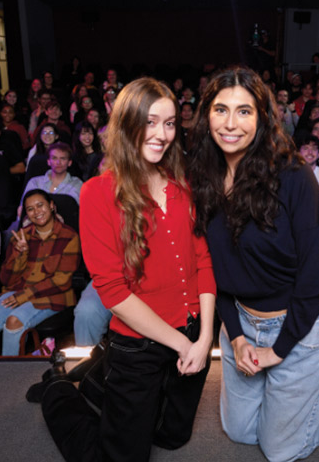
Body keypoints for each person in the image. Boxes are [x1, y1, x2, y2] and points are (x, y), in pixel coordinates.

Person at [188, 67, 319, 462]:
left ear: (262, 117)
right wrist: (237, 336)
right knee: (241, 433)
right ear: (206, 115)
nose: (230, 123)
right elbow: (210, 269)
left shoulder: (294, 177)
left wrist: (278, 351)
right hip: (241, 320)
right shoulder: (202, 177)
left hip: (299, 323)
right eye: (220, 110)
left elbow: (317, 279)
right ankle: (303, 392)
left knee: (280, 449)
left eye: (244, 111)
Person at [40, 77, 215, 462]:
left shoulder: (182, 184)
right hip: (139, 344)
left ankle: (99, 380)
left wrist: (204, 339)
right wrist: (183, 344)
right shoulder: (98, 192)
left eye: (169, 123)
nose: (162, 134)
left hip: (193, 331)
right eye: (150, 122)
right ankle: (58, 388)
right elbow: (114, 292)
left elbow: (203, 261)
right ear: (127, 123)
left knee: (172, 437)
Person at [0, 189, 80, 357]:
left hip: (52, 295)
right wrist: (20, 254)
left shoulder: (69, 236)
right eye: (30, 209)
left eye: (40, 205)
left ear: (51, 206)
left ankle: (11, 372)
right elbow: (6, 280)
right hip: (18, 291)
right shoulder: (20, 236)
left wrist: (24, 296)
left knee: (14, 321)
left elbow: (61, 281)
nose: (36, 212)